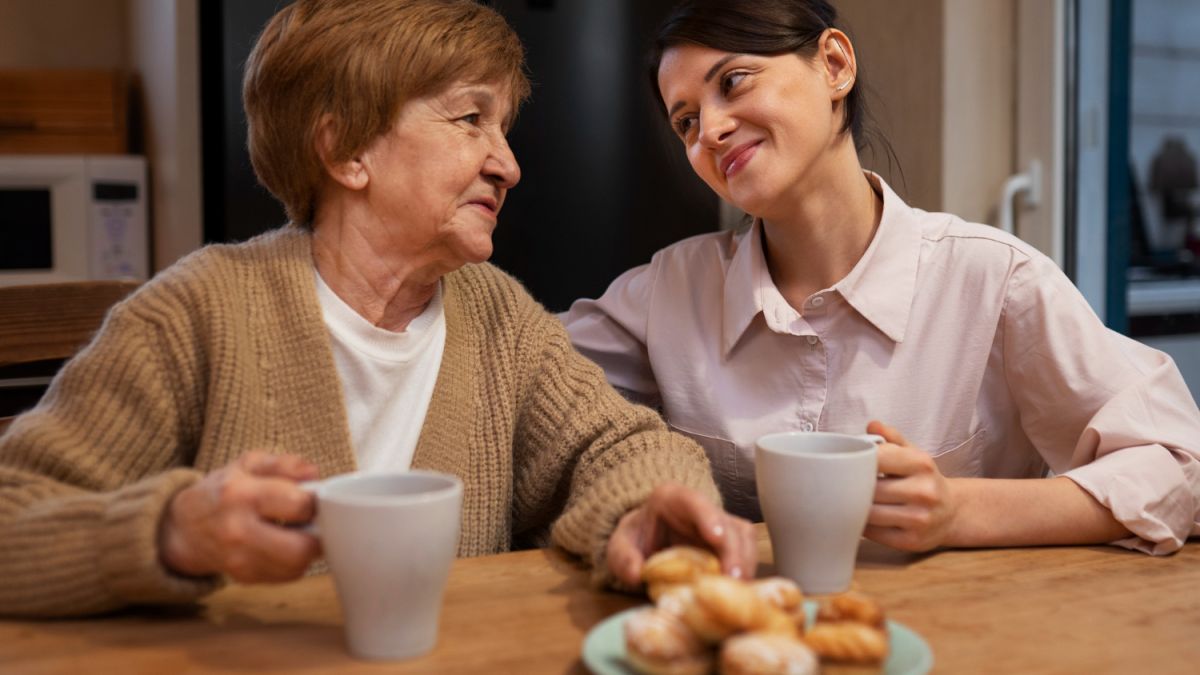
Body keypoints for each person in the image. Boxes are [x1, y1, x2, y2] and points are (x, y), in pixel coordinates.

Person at [0, 0, 756, 618]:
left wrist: (648, 507)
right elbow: (14, 518)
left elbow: (618, 446)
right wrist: (169, 532)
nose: (508, 164)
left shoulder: (497, 319)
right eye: (470, 119)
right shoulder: (197, 312)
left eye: (503, 128)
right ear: (346, 152)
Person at [563, 0, 1200, 555]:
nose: (711, 131)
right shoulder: (669, 293)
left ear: (834, 65)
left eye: (733, 82)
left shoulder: (994, 280)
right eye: (686, 121)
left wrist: (959, 511)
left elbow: (1181, 465)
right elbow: (523, 374)